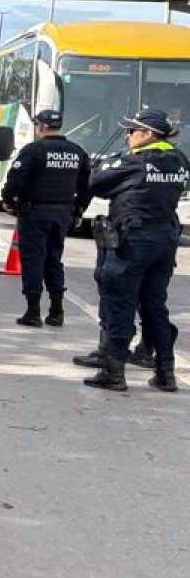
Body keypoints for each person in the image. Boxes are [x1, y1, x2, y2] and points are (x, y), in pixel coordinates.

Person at [73, 108, 188, 392]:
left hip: (134, 241)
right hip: (165, 240)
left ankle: (114, 371)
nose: (127, 136)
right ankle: (165, 373)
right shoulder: (179, 159)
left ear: (148, 134)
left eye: (132, 131)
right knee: (154, 306)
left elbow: (95, 182)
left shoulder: (135, 161)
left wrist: (110, 169)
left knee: (119, 302)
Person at [1, 109, 92, 328]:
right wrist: (78, 210)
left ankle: (33, 312)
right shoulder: (77, 152)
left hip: (35, 213)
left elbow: (15, 179)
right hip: (62, 214)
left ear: (41, 126)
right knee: (53, 260)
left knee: (33, 260)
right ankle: (56, 311)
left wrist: (8, 201)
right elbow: (87, 185)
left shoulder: (34, 149)